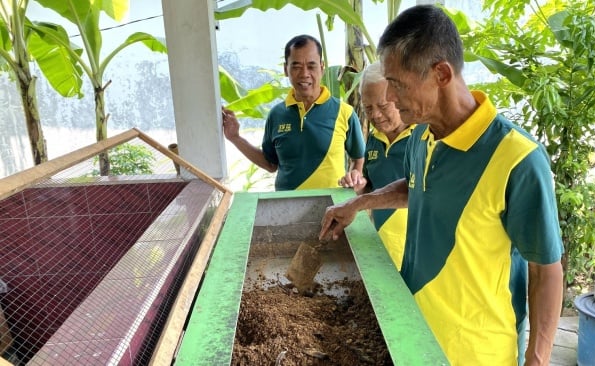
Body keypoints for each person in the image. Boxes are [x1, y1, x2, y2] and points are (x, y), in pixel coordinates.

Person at [319, 5, 564, 366]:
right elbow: (417, 187)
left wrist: (538, 359)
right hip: (413, 333)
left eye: (398, 85)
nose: (393, 98)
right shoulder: (421, 135)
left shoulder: (517, 159)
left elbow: (546, 270)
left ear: (442, 74)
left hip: (476, 352)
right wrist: (358, 204)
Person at [222, 34, 365, 191]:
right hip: (287, 207)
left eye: (311, 66)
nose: (304, 74)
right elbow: (270, 164)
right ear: (285, 69)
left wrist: (355, 176)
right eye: (296, 66)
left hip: (333, 208)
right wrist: (235, 138)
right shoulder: (276, 115)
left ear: (322, 68)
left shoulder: (344, 112)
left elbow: (358, 158)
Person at [338, 61, 414, 270]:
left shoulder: (424, 136)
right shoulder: (373, 139)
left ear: (399, 96)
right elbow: (372, 186)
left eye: (382, 106)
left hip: (417, 255)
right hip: (384, 248)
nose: (375, 115)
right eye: (368, 108)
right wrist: (359, 184)